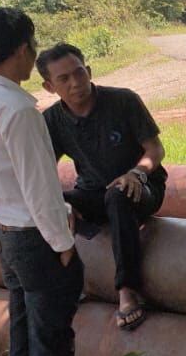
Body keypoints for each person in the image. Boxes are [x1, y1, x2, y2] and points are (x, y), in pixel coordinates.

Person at [0, 6, 83, 356]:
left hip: (6, 233)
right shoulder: (19, 111)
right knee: (51, 338)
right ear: (20, 50)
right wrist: (62, 242)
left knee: (23, 330)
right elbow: (40, 186)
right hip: (36, 238)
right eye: (32, 45)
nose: (34, 53)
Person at [36, 42, 167, 331]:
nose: (75, 83)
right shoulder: (52, 120)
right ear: (49, 87)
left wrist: (137, 173)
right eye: (64, 79)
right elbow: (43, 172)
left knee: (118, 195)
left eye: (79, 73)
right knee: (44, 204)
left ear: (89, 71)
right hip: (93, 193)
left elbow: (155, 150)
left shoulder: (123, 101)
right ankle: (66, 284)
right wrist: (62, 205)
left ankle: (128, 290)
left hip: (140, 188)